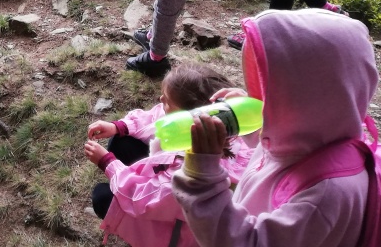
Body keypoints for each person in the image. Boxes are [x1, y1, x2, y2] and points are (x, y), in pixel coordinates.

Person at [173, 9, 376, 247]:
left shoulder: (325, 195)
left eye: (269, 91)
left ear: (308, 100)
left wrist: (202, 180)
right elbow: (275, 144)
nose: (259, 98)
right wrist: (252, 116)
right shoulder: (317, 131)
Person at [84, 63, 254, 247]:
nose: (161, 100)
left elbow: (142, 198)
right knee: (120, 140)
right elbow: (157, 117)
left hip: (175, 232)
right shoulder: (220, 124)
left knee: (102, 196)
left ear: (189, 118)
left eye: (168, 102)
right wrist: (119, 126)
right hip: (168, 184)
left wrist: (107, 163)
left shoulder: (193, 171)